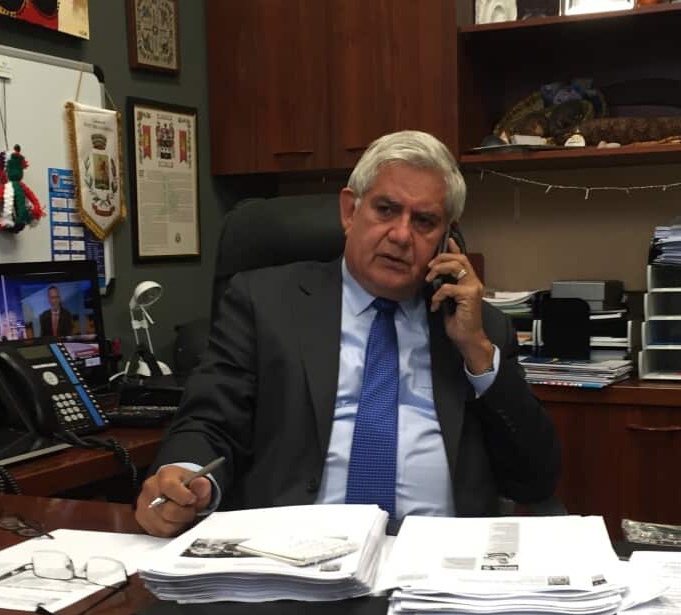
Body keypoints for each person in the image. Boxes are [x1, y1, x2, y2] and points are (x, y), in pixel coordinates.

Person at [135, 130, 560, 538]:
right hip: (291, 553)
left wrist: (477, 351)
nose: (401, 235)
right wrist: (186, 475)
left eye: (424, 221)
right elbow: (210, 421)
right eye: (386, 210)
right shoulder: (264, 303)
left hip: (435, 561)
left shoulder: (478, 327)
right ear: (350, 212)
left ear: (447, 238)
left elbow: (535, 479)